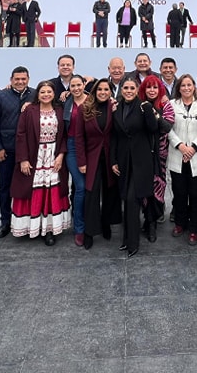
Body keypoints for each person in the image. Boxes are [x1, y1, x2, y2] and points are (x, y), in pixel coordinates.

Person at [10, 80, 70, 244]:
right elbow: (20, 134)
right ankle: (31, 227)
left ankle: (49, 230)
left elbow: (64, 134)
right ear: (38, 93)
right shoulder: (29, 110)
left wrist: (61, 155)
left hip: (53, 155)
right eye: (43, 92)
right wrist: (23, 159)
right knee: (32, 191)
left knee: (51, 191)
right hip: (33, 155)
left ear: (53, 94)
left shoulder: (59, 110)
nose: (46, 95)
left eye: (49, 92)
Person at [111, 78, 160, 257]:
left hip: (142, 161)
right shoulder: (117, 107)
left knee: (132, 200)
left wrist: (149, 110)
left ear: (137, 89)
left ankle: (133, 243)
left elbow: (154, 128)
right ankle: (126, 240)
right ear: (121, 89)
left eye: (132, 88)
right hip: (124, 161)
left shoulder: (143, 106)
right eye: (126, 88)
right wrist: (113, 160)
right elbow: (115, 137)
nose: (129, 91)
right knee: (126, 198)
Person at [71, 79, 121, 249]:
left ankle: (106, 225)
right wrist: (81, 161)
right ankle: (89, 232)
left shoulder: (113, 107)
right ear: (94, 91)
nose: (103, 92)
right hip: (91, 157)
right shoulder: (84, 108)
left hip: (109, 157)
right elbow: (79, 137)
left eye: (106, 89)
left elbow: (115, 133)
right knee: (91, 194)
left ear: (110, 91)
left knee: (109, 192)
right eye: (99, 89)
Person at [0, 66, 33, 238]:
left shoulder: (35, 95)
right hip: (6, 151)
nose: (20, 82)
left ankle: (27, 220)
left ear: (28, 79)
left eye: (23, 79)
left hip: (29, 153)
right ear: (11, 79)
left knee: (28, 188)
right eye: (17, 79)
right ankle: (5, 221)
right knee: (5, 187)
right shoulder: (0, 96)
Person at [168, 74, 197, 245]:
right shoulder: (171, 105)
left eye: (189, 85)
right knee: (179, 193)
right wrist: (180, 146)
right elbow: (168, 128)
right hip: (177, 154)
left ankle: (195, 228)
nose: (186, 88)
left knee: (196, 194)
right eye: (182, 85)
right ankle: (180, 223)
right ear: (178, 88)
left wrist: (192, 148)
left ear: (194, 87)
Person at [138, 75, 174, 241]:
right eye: (148, 87)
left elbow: (167, 127)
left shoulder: (166, 105)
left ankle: (152, 223)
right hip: (141, 152)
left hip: (160, 154)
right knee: (143, 187)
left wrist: (154, 114)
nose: (151, 91)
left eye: (155, 87)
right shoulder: (137, 104)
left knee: (157, 187)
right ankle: (147, 220)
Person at [63, 75, 89, 246]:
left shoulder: (93, 100)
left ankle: (92, 222)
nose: (76, 88)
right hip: (72, 147)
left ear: (84, 85)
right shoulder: (66, 103)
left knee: (91, 187)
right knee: (80, 187)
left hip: (91, 146)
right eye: (73, 85)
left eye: (79, 84)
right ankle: (79, 227)